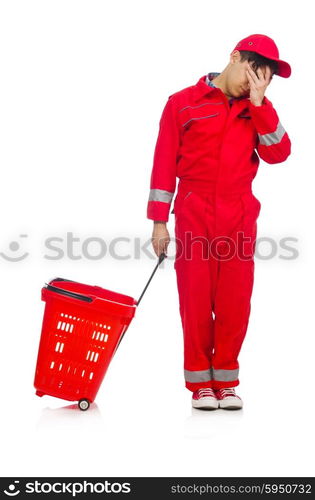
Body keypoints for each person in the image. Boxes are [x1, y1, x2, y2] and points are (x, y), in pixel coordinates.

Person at [146, 34, 291, 410]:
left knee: (235, 301)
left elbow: (279, 154)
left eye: (267, 77)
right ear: (234, 56)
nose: (256, 81)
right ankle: (200, 385)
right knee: (195, 300)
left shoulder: (257, 108)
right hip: (194, 211)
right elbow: (164, 164)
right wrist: (159, 222)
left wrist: (260, 105)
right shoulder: (182, 103)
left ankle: (226, 381)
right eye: (253, 70)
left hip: (239, 213)